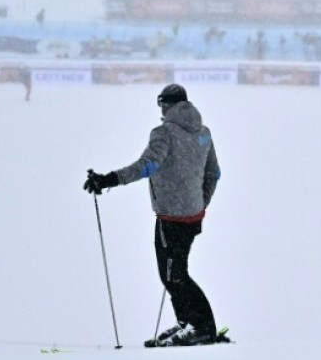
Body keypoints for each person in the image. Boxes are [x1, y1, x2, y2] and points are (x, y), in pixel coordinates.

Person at [83, 84, 221, 346]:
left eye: (161, 106)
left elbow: (147, 165)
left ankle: (201, 327)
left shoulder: (164, 133)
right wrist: (201, 202)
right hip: (193, 216)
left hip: (171, 217)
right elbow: (214, 173)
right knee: (175, 272)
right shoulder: (204, 133)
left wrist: (108, 180)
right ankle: (187, 323)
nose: (161, 111)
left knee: (174, 275)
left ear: (166, 105)